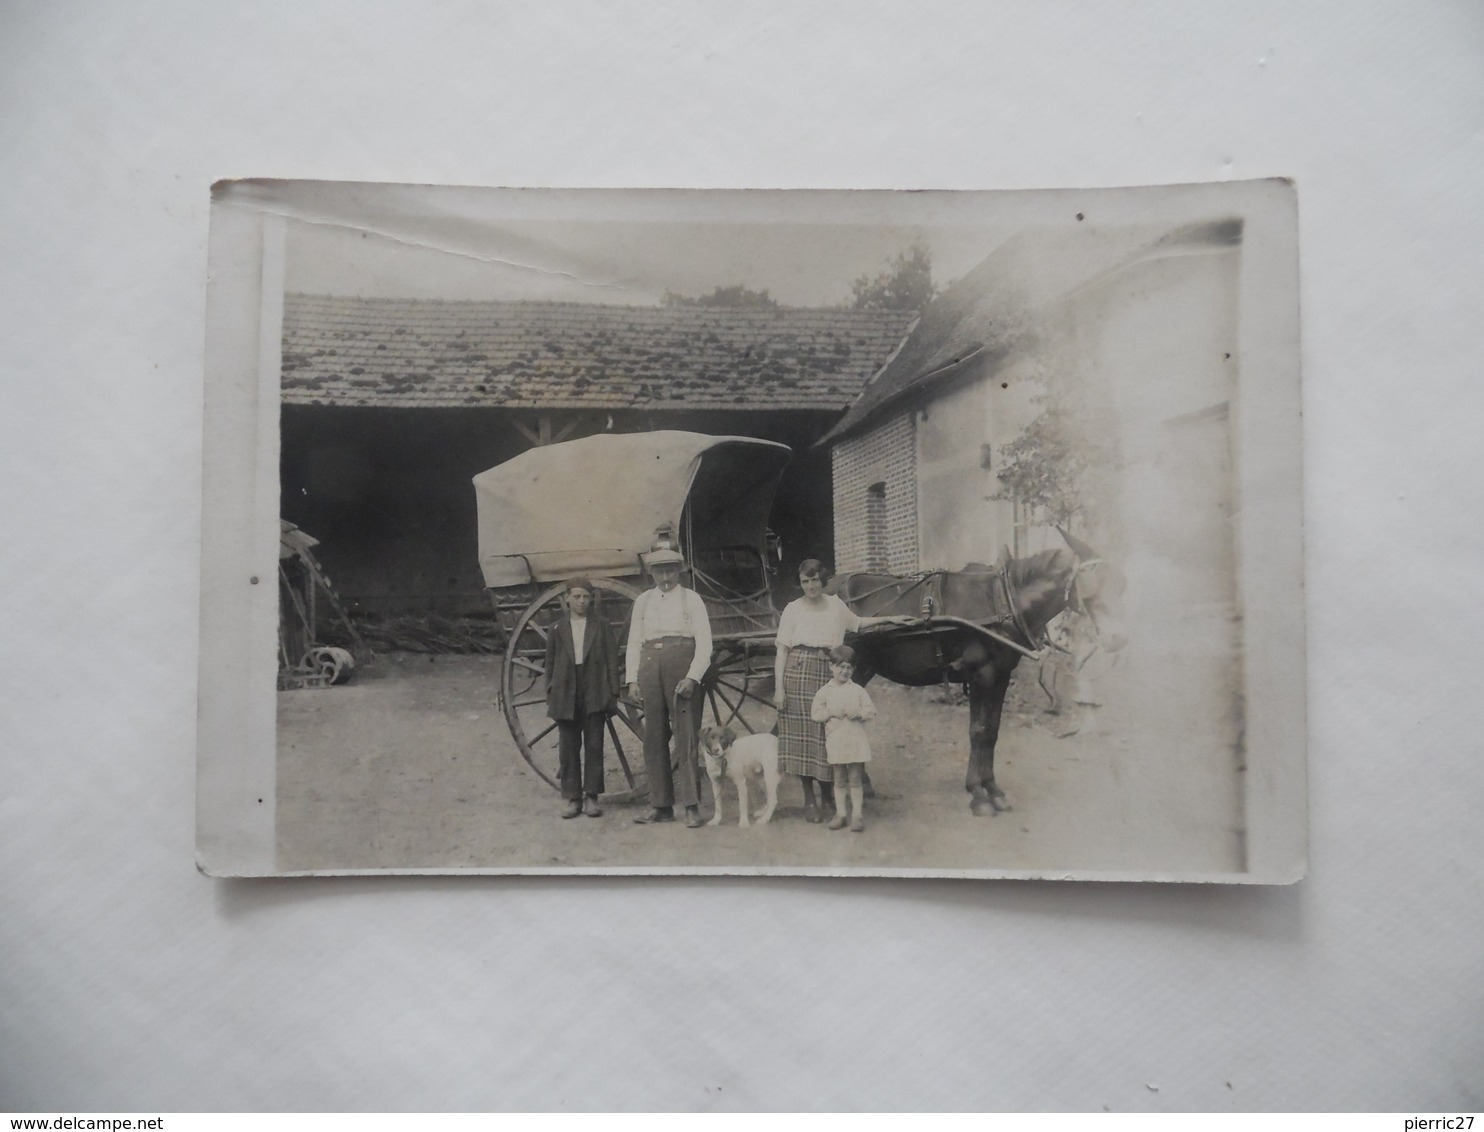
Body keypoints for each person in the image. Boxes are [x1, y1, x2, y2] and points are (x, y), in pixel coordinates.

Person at [772, 559, 911, 822]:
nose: (810, 586)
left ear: (822, 581)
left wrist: (893, 618)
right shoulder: (792, 609)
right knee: (803, 737)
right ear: (800, 583)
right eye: (805, 581)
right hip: (798, 672)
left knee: (829, 735)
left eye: (814, 580)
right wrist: (779, 688)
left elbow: (858, 623)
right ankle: (809, 799)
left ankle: (827, 796)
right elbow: (782, 651)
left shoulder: (835, 604)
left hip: (830, 671)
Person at [625, 540, 714, 828]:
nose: (665, 578)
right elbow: (633, 643)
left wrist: (692, 676)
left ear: (679, 571)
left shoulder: (692, 600)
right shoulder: (643, 601)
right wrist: (632, 679)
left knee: (686, 736)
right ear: (652, 573)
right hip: (650, 666)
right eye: (659, 572)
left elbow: (705, 643)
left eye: (670, 571)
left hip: (682, 663)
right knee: (654, 737)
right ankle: (661, 804)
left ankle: (691, 805)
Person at [543, 578, 621, 818]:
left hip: (594, 689)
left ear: (591, 599)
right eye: (576, 596)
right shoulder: (557, 629)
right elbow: (550, 664)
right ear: (567, 598)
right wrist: (551, 692)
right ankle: (572, 798)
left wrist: (612, 693)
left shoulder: (602, 626)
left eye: (586, 597)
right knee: (568, 747)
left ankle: (592, 797)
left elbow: (611, 661)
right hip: (566, 690)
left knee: (594, 745)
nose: (581, 601)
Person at [811, 646, 876, 832]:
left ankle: (857, 815)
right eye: (840, 667)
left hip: (855, 741)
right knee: (839, 779)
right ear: (831, 667)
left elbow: (871, 710)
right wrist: (830, 712)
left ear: (854, 670)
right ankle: (841, 814)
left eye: (849, 667)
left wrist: (859, 713)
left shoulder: (857, 690)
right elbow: (815, 714)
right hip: (836, 741)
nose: (844, 671)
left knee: (855, 778)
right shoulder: (825, 691)